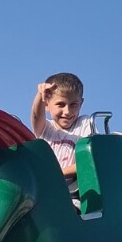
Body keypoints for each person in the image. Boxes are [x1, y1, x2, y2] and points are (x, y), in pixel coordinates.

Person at [30, 72, 94, 204]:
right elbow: (36, 116)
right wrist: (39, 96)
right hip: (44, 191)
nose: (67, 112)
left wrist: (58, 173)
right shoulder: (46, 129)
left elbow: (89, 160)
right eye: (61, 104)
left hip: (71, 196)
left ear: (81, 103)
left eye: (73, 105)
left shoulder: (84, 124)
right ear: (47, 104)